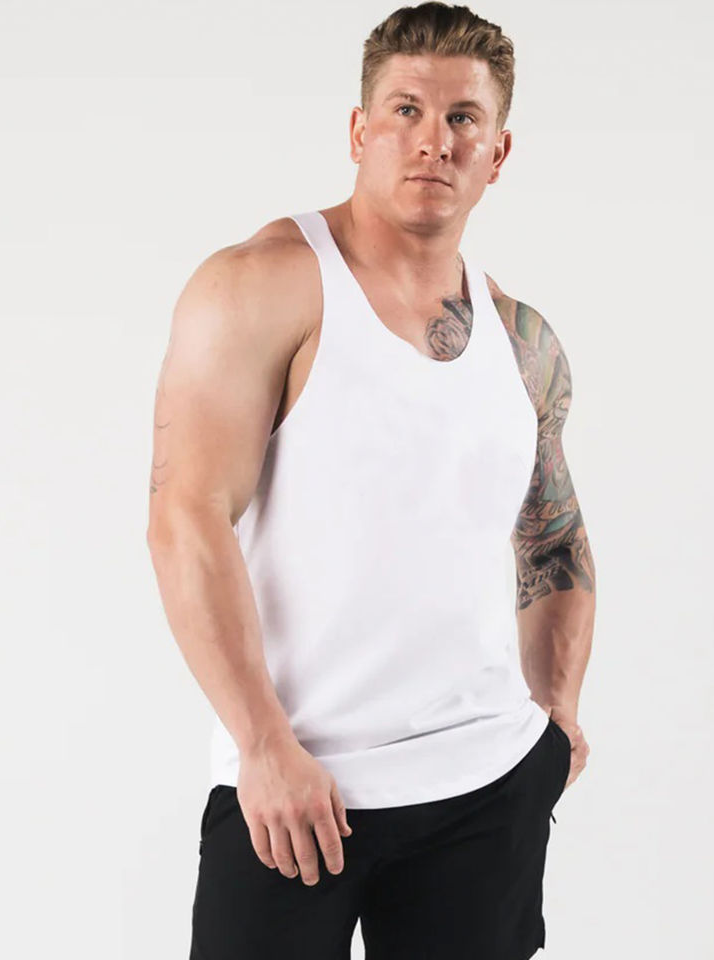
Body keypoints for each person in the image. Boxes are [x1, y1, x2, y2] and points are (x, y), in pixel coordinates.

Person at [146, 3, 595, 957]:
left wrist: (555, 717)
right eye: (406, 110)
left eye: (463, 118)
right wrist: (263, 746)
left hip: (487, 787)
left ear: (498, 152)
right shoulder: (263, 284)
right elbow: (186, 518)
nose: (434, 141)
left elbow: (552, 532)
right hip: (296, 790)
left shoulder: (522, 339)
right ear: (359, 130)